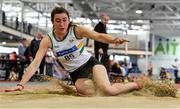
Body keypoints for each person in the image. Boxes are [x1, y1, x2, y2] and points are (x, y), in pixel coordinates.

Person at [6, 7, 141, 96]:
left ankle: (135, 85)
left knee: (107, 91)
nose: (62, 24)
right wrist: (20, 84)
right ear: (53, 22)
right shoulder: (48, 40)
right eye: (58, 21)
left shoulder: (76, 30)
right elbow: (35, 63)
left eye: (64, 20)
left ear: (68, 20)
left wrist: (113, 40)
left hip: (91, 64)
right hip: (76, 73)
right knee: (93, 94)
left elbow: (98, 36)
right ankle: (108, 85)